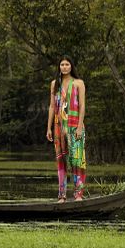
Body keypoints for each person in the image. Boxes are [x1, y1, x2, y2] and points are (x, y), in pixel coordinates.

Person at [46, 56, 86, 201]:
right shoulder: (54, 84)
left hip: (75, 126)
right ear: (59, 67)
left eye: (67, 64)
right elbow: (51, 106)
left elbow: (82, 106)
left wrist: (80, 126)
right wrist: (48, 128)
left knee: (77, 160)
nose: (64, 67)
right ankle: (62, 195)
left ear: (71, 66)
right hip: (58, 127)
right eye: (62, 64)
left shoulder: (78, 83)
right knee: (61, 161)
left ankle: (78, 194)